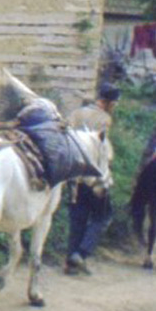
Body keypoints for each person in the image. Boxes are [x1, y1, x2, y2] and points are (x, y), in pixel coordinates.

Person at [63, 82, 119, 275]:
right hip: (93, 176)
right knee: (103, 216)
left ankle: (70, 264)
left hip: (73, 175)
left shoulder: (77, 113)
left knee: (77, 218)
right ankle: (81, 253)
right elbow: (102, 150)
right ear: (108, 103)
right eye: (114, 104)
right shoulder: (105, 119)